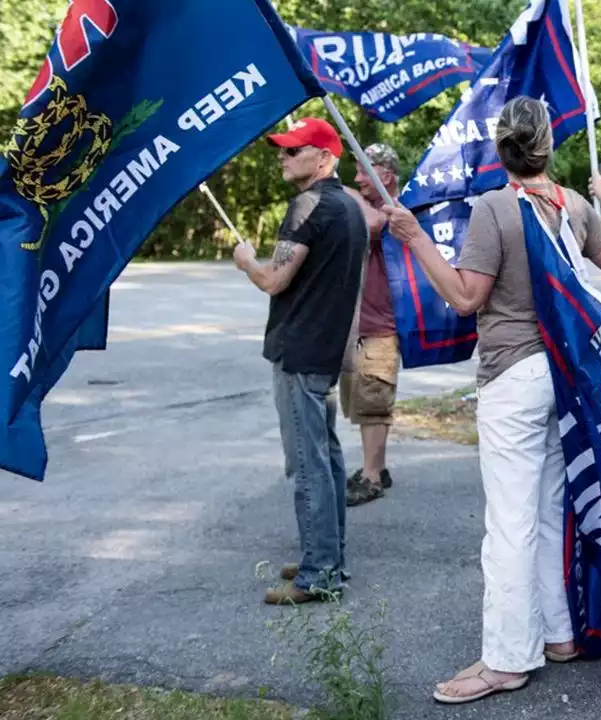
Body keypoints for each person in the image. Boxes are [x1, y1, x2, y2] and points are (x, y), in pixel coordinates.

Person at [382, 96, 601, 704]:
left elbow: (466, 299)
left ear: (501, 149)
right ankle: (558, 634)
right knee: (550, 512)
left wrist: (416, 238)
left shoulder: (494, 208)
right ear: (550, 145)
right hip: (567, 379)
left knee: (509, 525)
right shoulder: (573, 205)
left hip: (513, 378)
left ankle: (505, 660)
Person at [233, 117, 369, 605]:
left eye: (294, 151)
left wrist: (247, 259)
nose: (284, 157)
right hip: (325, 352)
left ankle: (318, 574)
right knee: (327, 458)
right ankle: (328, 555)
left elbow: (274, 281)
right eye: (284, 151)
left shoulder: (308, 204)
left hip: (300, 352)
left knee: (308, 465)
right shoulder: (348, 207)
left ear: (325, 158)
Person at [339, 143, 404, 507]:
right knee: (364, 401)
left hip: (383, 321)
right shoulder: (373, 204)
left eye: (365, 171)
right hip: (364, 320)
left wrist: (338, 190)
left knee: (374, 399)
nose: (357, 178)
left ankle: (372, 477)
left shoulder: (393, 211)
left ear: (386, 175)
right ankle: (376, 466)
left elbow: (373, 225)